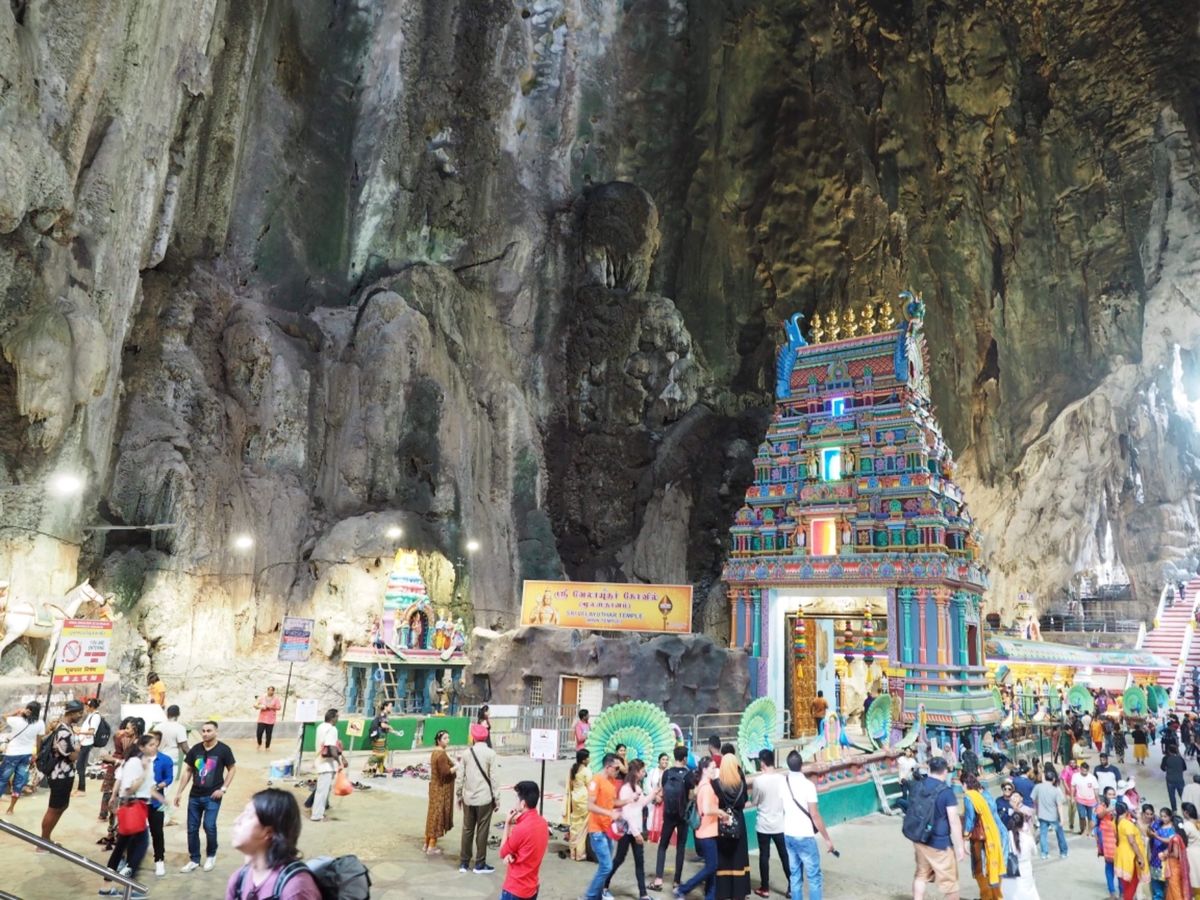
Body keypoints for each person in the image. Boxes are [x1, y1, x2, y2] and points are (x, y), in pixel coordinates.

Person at [226, 789, 323, 899]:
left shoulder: (296, 889)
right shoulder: (238, 880)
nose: (236, 820)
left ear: (269, 832)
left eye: (248, 814)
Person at [174, 719, 237, 873]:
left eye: (209, 731)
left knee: (209, 826)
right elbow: (188, 771)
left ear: (216, 732)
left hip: (213, 796)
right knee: (192, 828)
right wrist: (179, 792)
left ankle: (211, 855)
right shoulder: (195, 749)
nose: (205, 734)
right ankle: (194, 859)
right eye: (203, 731)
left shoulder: (223, 750)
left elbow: (232, 769)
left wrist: (223, 789)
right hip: (195, 795)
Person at [101, 733, 157, 895]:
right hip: (133, 806)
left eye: (155, 744)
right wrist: (144, 773)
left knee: (121, 848)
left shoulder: (143, 762)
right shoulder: (135, 762)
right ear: (141, 747)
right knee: (139, 847)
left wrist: (162, 801)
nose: (155, 747)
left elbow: (149, 787)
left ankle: (107, 886)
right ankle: (129, 884)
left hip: (138, 806)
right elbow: (129, 788)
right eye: (151, 744)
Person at [780, 747, 834, 900]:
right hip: (805, 835)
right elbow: (815, 815)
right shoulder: (808, 786)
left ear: (788, 765)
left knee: (795, 875)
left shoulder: (782, 783)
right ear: (802, 765)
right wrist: (827, 839)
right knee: (814, 876)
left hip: (789, 834)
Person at [910, 756, 964, 900]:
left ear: (929, 769)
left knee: (921, 875)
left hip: (919, 838)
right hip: (940, 844)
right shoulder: (946, 792)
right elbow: (954, 821)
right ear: (945, 771)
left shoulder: (917, 786)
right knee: (951, 885)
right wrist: (959, 846)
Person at [605, 758, 655, 899]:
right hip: (628, 831)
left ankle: (643, 894)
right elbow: (627, 814)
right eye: (642, 771)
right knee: (619, 859)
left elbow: (642, 803)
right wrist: (636, 833)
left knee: (640, 861)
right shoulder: (626, 789)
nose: (644, 773)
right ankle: (604, 885)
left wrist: (654, 793)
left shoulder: (637, 787)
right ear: (636, 772)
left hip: (635, 830)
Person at [586, 753, 630, 900]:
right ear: (608, 766)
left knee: (605, 866)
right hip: (597, 830)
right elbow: (590, 805)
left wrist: (628, 800)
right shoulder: (596, 780)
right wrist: (609, 813)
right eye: (616, 768)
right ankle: (590, 896)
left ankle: (597, 895)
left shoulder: (611, 781)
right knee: (606, 866)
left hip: (607, 829)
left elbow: (612, 802)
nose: (618, 771)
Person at [674, 757, 720, 900]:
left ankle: (710, 895)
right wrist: (721, 813)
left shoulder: (704, 785)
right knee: (711, 866)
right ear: (704, 770)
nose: (715, 770)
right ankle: (684, 888)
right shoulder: (706, 787)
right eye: (712, 767)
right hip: (707, 832)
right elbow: (706, 809)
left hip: (708, 831)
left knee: (712, 867)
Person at [40, 699, 83, 845]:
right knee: (54, 808)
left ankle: (46, 839)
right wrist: (79, 747)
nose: (81, 716)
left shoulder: (67, 728)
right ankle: (43, 842)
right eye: (79, 713)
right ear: (71, 713)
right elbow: (72, 756)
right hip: (59, 776)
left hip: (65, 774)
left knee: (61, 807)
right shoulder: (63, 731)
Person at [750, 748, 791, 898]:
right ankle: (792, 886)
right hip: (779, 823)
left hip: (763, 824)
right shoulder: (782, 779)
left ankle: (765, 888)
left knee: (764, 856)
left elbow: (754, 801)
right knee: (784, 855)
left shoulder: (758, 781)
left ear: (762, 762)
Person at [458, 724, 498, 874]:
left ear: (473, 737)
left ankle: (464, 863)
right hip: (484, 799)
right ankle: (479, 864)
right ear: (486, 737)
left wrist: (458, 795)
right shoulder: (491, 754)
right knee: (482, 830)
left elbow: (460, 777)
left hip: (468, 798)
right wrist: (497, 798)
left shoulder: (466, 754)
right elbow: (494, 778)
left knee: (467, 829)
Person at [651, 745, 692, 892]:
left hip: (668, 814)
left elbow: (663, 791)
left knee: (663, 846)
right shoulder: (688, 775)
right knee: (680, 847)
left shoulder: (666, 773)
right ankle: (676, 881)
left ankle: (658, 879)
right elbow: (691, 796)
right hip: (682, 815)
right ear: (685, 758)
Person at [499, 781, 549, 900]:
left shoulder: (521, 828)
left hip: (515, 888)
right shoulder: (543, 824)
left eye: (517, 799)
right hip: (532, 887)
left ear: (522, 804)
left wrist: (507, 824)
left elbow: (503, 852)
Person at [962, 772, 1007, 900]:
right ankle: (997, 897)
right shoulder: (985, 794)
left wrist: (965, 837)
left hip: (982, 838)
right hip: (997, 834)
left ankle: (986, 897)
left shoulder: (970, 797)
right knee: (995, 870)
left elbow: (970, 819)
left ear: (965, 784)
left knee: (980, 870)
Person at [714, 753, 751, 899]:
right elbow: (744, 802)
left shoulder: (716, 784)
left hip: (722, 821)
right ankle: (739, 891)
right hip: (738, 822)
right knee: (739, 856)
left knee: (723, 856)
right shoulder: (741, 784)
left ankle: (723, 891)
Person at [0, 700, 45, 814]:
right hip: (26, 755)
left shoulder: (17, 720)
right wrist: (36, 754)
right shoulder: (40, 723)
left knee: (2, 780)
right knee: (19, 782)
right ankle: (11, 809)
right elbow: (39, 741)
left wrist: (17, 711)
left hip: (12, 755)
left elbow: (3, 716)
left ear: (28, 710)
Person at [425, 729, 457, 854]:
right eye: (445, 738)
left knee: (432, 815)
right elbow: (445, 772)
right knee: (437, 817)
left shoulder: (435, 752)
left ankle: (427, 843)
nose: (448, 740)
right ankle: (432, 846)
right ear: (438, 741)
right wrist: (457, 767)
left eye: (448, 738)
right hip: (440, 790)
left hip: (434, 788)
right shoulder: (441, 754)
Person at [310, 708, 344, 823]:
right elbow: (331, 748)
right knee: (322, 791)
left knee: (323, 789)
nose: (338, 719)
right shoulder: (332, 729)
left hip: (320, 762)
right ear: (333, 718)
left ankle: (320, 806)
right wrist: (339, 762)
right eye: (337, 717)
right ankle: (317, 815)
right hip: (327, 765)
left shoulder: (321, 727)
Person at [147, 732, 173, 877]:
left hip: (156, 802)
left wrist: (158, 786)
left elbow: (169, 778)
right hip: (139, 801)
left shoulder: (165, 760)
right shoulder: (139, 758)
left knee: (157, 832)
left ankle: (159, 860)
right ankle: (129, 861)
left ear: (157, 742)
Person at [1031, 767, 1068, 860]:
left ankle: (1044, 853)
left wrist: (1037, 811)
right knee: (1060, 834)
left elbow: (1033, 800)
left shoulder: (1038, 787)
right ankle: (1063, 852)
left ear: (1044, 778)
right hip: (1053, 816)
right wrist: (1062, 819)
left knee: (1043, 835)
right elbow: (1059, 805)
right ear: (1054, 779)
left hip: (1042, 815)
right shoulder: (1056, 790)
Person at [1114, 801, 1149, 900]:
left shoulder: (1117, 822)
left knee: (1126, 883)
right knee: (1132, 882)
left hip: (1122, 853)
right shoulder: (1127, 824)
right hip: (1130, 855)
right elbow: (1132, 841)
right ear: (1126, 811)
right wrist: (1140, 857)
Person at [1001, 810, 1039, 900]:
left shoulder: (1005, 837)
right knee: (1028, 893)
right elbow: (1035, 852)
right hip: (1025, 870)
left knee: (1009, 893)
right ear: (1022, 824)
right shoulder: (1027, 838)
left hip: (1009, 869)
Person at [565, 749, 592, 862]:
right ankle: (580, 854)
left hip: (575, 797)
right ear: (584, 760)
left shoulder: (573, 769)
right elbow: (590, 786)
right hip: (584, 798)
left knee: (575, 825)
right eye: (588, 757)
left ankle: (573, 853)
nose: (590, 759)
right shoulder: (586, 771)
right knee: (583, 827)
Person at [74, 696, 102, 796]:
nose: (85, 708)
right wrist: (79, 729)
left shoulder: (95, 717)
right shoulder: (91, 715)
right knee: (80, 766)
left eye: (87, 706)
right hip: (84, 742)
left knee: (80, 766)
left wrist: (80, 731)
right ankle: (80, 789)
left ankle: (82, 790)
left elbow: (91, 732)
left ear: (91, 707)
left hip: (87, 743)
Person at [1162, 815, 1191, 900]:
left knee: (1175, 888)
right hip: (1179, 866)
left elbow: (1176, 854)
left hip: (1174, 867)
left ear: (1173, 825)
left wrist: (1166, 854)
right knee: (1177, 887)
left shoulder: (1175, 838)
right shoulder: (1182, 836)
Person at [1096, 800, 1119, 900]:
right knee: (1109, 867)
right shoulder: (1101, 806)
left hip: (1117, 843)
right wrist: (1108, 810)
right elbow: (1099, 816)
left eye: (1113, 794)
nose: (1111, 796)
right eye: (1109, 794)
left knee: (1119, 869)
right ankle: (1112, 892)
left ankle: (1122, 893)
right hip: (1107, 843)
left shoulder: (1119, 805)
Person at [1179, 803, 1200, 898]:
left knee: (1195, 879)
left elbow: (1181, 840)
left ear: (1186, 813)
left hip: (1192, 855)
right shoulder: (1198, 822)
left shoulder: (1187, 825)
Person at [647, 752, 668, 843]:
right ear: (659, 761)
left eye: (666, 760)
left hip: (664, 799)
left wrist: (662, 796)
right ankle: (651, 838)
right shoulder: (652, 771)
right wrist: (655, 796)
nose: (665, 761)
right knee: (651, 818)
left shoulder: (668, 772)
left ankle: (660, 838)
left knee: (662, 819)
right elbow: (647, 785)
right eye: (663, 759)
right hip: (653, 799)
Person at [1075, 762, 1100, 838]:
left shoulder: (1092, 778)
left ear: (1088, 770)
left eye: (1085, 771)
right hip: (1080, 800)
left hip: (1091, 800)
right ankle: (1084, 830)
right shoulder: (1076, 776)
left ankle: (1089, 831)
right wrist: (1073, 797)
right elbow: (1073, 786)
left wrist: (1097, 800)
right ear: (1080, 769)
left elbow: (1096, 789)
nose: (1084, 772)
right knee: (1082, 816)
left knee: (1090, 817)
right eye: (1082, 770)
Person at [253, 687, 282, 751]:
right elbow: (256, 705)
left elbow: (279, 707)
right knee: (259, 732)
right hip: (262, 719)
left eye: (272, 690)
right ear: (267, 690)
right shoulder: (262, 697)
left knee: (268, 734)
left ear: (273, 691)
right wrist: (258, 706)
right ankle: (259, 743)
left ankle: (267, 747)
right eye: (269, 690)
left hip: (271, 719)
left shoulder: (276, 699)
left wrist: (272, 707)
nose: (270, 692)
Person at [1165, 746, 1189, 812]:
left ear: (1169, 751)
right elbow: (1184, 768)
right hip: (1179, 779)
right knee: (1183, 795)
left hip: (1170, 780)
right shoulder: (1180, 758)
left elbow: (1163, 768)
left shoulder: (1166, 758)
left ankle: (1174, 810)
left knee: (1172, 796)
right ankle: (1187, 809)